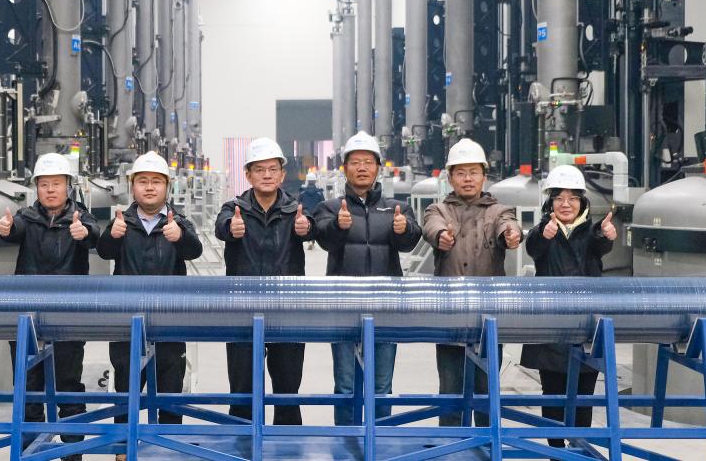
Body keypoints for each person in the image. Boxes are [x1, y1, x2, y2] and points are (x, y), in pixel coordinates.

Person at [96, 151, 202, 458]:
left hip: (170, 322)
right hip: (127, 322)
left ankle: (167, 449)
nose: (150, 187)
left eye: (157, 181)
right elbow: (104, 252)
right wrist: (112, 236)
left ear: (167, 186)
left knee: (169, 391)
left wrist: (180, 237)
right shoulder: (122, 222)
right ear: (132, 186)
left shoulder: (178, 222)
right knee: (125, 390)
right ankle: (122, 450)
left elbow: (194, 251)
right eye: (143, 181)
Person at [312, 131, 422, 425]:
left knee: (382, 386)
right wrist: (338, 226)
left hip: (385, 308)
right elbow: (323, 239)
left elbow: (410, 241)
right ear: (345, 168)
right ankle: (345, 441)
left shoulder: (397, 209)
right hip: (343, 308)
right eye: (355, 162)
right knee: (345, 386)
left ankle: (380, 439)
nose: (362, 168)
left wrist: (403, 229)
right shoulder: (330, 208)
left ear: (378, 168)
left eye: (368, 162)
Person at [0, 152, 100, 460]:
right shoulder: (27, 218)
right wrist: (5, 228)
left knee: (68, 384)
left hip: (68, 315)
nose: (50, 189)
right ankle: (31, 450)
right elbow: (13, 230)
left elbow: (96, 236)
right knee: (28, 385)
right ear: (37, 188)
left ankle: (73, 451)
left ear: (68, 186)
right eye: (44, 184)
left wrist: (85, 234)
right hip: (28, 315)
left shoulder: (81, 218)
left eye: (56, 183)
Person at [421, 137, 522, 427]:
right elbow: (431, 227)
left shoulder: (499, 210)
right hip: (450, 316)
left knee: (486, 392)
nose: (468, 179)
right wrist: (441, 237)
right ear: (450, 177)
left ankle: (487, 446)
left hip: (488, 318)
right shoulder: (438, 210)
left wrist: (512, 234)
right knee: (450, 390)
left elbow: (508, 224)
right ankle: (451, 445)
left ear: (484, 176)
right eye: (461, 173)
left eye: (473, 172)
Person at [214, 138, 314, 425]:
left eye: (273, 169)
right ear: (248, 175)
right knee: (242, 391)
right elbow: (221, 227)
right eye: (259, 170)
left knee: (287, 391)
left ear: (282, 174)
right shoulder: (233, 208)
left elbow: (312, 227)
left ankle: (287, 444)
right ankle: (242, 444)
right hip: (243, 312)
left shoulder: (295, 210)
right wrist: (231, 228)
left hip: (287, 311)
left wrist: (307, 229)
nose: (267, 175)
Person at [521, 165, 616, 450]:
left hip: (586, 327)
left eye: (572, 198)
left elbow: (600, 244)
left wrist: (606, 235)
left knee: (583, 397)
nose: (566, 204)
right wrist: (544, 234)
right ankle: (556, 453)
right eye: (559, 198)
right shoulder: (543, 231)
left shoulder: (592, 232)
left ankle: (578, 451)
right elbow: (533, 246)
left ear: (582, 202)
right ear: (549, 203)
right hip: (550, 328)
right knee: (552, 396)